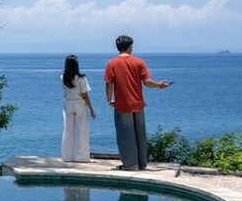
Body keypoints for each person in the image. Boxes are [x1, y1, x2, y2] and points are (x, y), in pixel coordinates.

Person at [104, 35, 170, 170]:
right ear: (129, 47)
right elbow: (146, 82)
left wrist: (109, 99)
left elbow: (109, 84)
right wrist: (159, 85)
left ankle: (130, 165)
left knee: (125, 135)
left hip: (122, 105)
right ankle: (141, 163)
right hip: (138, 104)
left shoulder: (112, 64)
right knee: (140, 134)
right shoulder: (139, 62)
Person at [61, 54, 96, 162]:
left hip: (68, 104)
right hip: (79, 104)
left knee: (68, 130)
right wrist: (91, 109)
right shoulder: (81, 78)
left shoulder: (63, 78)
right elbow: (85, 95)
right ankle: (81, 157)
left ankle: (67, 156)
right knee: (81, 130)